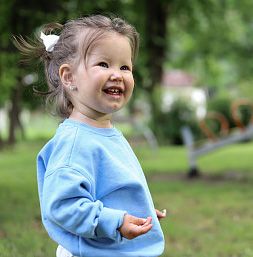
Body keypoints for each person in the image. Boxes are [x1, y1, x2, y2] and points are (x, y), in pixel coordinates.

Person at [13, 14, 166, 257]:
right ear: (69, 77)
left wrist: (136, 208)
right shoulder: (74, 143)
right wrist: (115, 221)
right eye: (103, 64)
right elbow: (63, 206)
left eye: (125, 66)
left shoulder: (104, 132)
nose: (117, 74)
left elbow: (107, 187)